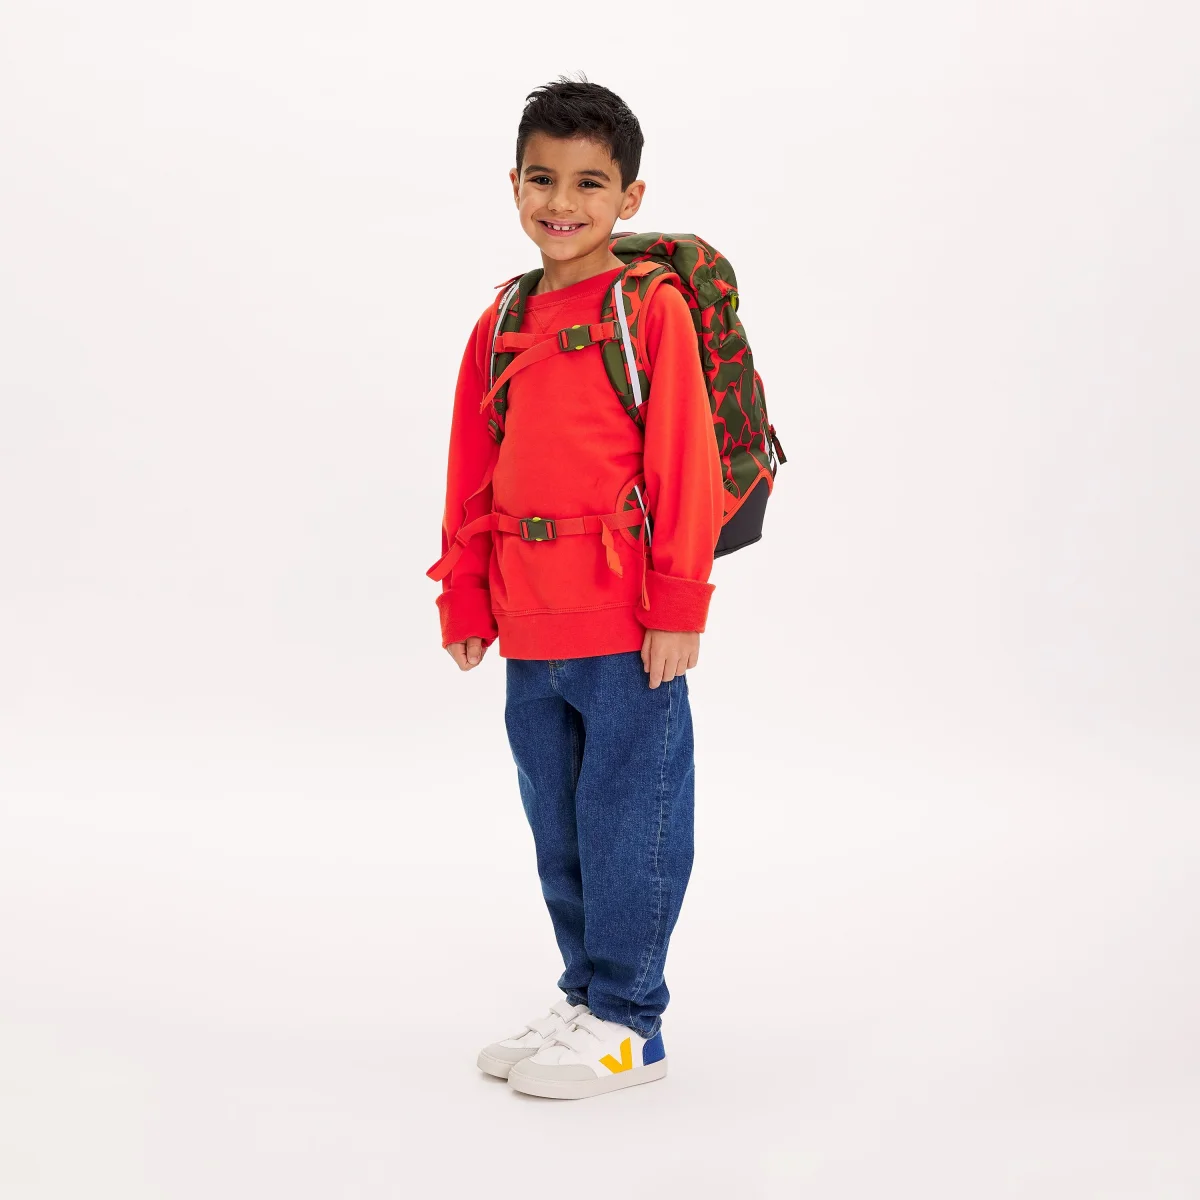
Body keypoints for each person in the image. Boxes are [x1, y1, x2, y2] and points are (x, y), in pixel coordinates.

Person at [428, 75, 724, 1101]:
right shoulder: (501, 318)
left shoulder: (650, 311)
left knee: (629, 822)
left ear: (629, 197)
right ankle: (584, 996)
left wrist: (678, 605)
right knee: (558, 826)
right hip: (530, 624)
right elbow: (471, 467)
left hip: (627, 627)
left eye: (590, 183)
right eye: (543, 179)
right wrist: (465, 595)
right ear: (514, 184)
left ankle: (630, 1022)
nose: (563, 202)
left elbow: (687, 465)